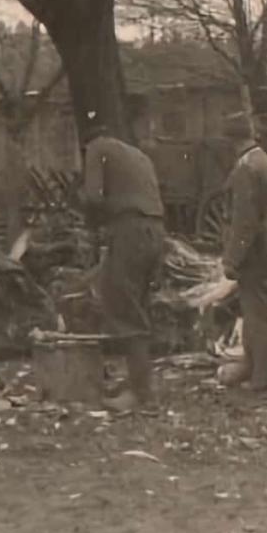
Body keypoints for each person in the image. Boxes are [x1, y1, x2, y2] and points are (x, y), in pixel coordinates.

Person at [79, 117, 166, 413]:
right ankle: (139, 384)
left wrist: (91, 224)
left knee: (124, 307)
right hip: (155, 229)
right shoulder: (136, 154)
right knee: (138, 304)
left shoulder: (96, 149)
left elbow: (93, 197)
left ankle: (142, 395)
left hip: (129, 230)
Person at [219, 112, 267, 394]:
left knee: (258, 310)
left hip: (257, 245)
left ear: (231, 139)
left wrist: (232, 259)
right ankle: (257, 369)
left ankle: (265, 375)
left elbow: (244, 220)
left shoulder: (246, 167)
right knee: (260, 307)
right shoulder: (265, 161)